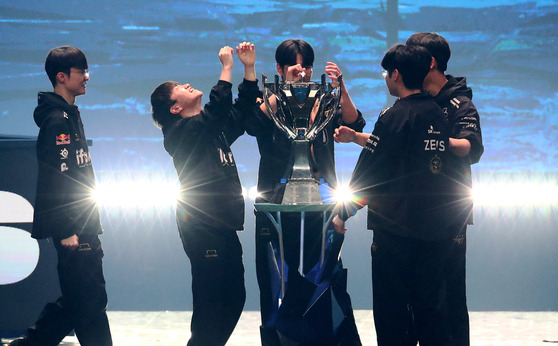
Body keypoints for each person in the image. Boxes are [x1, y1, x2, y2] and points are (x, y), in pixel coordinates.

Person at [333, 44, 462, 345]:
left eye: (385, 73)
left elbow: (372, 173)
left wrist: (343, 212)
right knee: (431, 313)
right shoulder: (439, 114)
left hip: (396, 234)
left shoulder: (393, 117)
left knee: (393, 316)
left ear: (395, 75)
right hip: (437, 232)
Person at [245, 38, 364, 345]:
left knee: (321, 272)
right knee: (273, 278)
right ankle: (275, 337)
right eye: (295, 65)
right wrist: (279, 93)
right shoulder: (268, 102)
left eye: (307, 65)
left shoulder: (323, 99)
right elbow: (254, 125)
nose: (302, 71)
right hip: (274, 202)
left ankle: (320, 337)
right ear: (280, 68)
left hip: (322, 203)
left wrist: (340, 88)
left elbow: (354, 121)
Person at [150, 42, 259, 346]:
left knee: (235, 296)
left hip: (221, 224)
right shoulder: (179, 134)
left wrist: (249, 67)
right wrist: (226, 68)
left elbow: (240, 109)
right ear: (175, 108)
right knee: (211, 302)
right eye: (180, 88)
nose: (187, 85)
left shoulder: (212, 128)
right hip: (201, 225)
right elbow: (218, 110)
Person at [10, 47, 112, 346]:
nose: (87, 78)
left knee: (81, 301)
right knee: (90, 303)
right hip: (75, 228)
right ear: (62, 77)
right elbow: (58, 179)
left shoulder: (69, 114)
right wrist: (67, 228)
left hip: (84, 223)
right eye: (82, 72)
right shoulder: (57, 121)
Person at [406, 32, 484, 346]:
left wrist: (438, 141)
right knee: (417, 296)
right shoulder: (414, 101)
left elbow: (471, 146)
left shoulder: (459, 102)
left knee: (448, 296)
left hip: (449, 215)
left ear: (431, 62)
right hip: (413, 214)